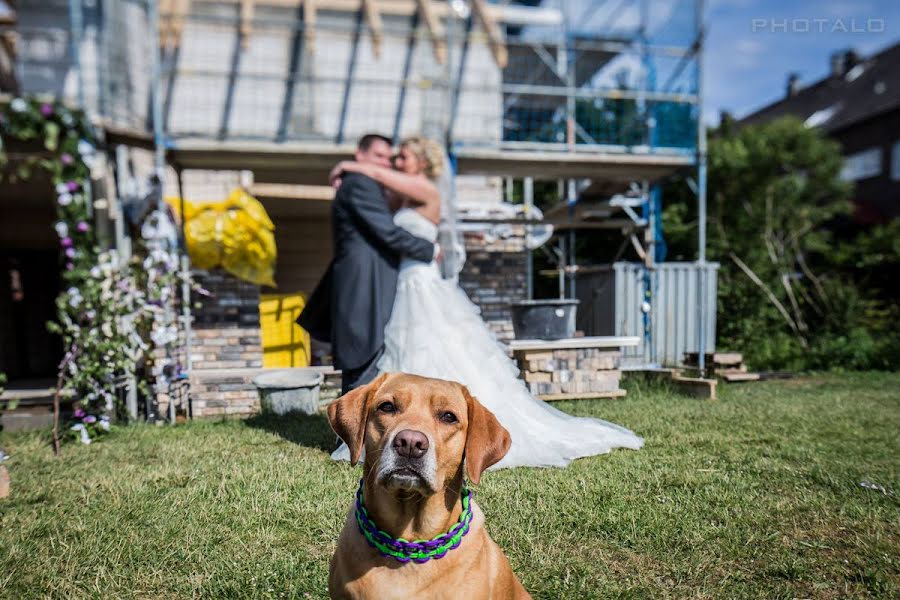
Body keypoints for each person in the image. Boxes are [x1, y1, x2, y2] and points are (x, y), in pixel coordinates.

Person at [327, 137, 644, 469]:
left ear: (422, 162)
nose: (394, 162)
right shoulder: (402, 195)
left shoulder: (425, 189)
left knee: (434, 348)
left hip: (422, 284)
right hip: (405, 283)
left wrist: (350, 165)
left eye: (402, 156)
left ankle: (449, 428)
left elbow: (383, 182)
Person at [298, 134, 438, 395]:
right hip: (371, 282)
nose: (387, 163)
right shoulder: (361, 184)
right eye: (379, 157)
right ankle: (351, 430)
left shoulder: (407, 188)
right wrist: (431, 249)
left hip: (409, 278)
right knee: (366, 352)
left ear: (422, 163)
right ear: (360, 155)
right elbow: (388, 233)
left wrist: (347, 166)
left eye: (393, 157)